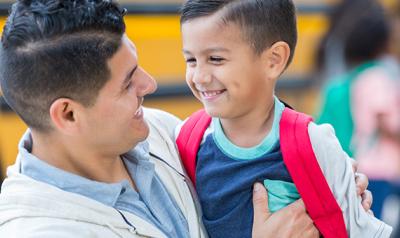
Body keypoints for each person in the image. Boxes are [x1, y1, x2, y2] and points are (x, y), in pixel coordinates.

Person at [0, 0, 371, 237]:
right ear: (68, 113)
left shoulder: (162, 133)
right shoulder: (39, 228)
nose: (150, 83)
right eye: (128, 83)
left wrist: (330, 179)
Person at [177, 0, 391, 237]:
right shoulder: (185, 141)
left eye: (216, 59)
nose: (200, 76)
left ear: (274, 60)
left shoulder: (312, 143)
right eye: (191, 60)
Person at [316, 0, 400, 219]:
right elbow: (385, 122)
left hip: (366, 164)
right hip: (380, 169)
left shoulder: (355, 78)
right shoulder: (377, 77)